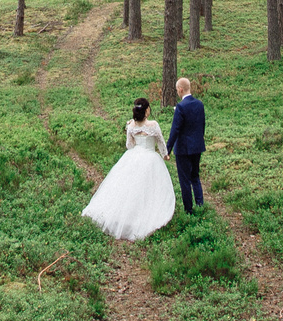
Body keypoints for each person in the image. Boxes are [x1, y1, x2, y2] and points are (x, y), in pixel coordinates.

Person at [80, 98, 176, 241]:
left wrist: (132, 132)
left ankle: (126, 215)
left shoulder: (131, 126)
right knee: (149, 187)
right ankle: (144, 215)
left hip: (134, 156)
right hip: (150, 157)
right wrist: (165, 155)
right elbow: (161, 142)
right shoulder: (153, 125)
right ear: (147, 110)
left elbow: (129, 145)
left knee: (128, 186)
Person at [165, 76, 205, 213]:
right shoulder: (200, 104)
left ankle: (189, 209)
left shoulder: (180, 107)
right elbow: (202, 125)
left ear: (180, 89)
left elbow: (175, 129)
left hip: (183, 148)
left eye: (177, 90)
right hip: (197, 145)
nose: (177, 92)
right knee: (195, 176)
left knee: (184, 180)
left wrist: (167, 149)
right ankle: (200, 204)